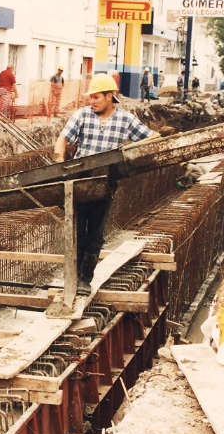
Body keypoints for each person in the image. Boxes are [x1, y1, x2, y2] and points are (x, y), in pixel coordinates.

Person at [54, 73, 157, 296]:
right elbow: (63, 139)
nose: (92, 101)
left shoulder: (125, 120)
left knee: (96, 234)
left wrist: (132, 155)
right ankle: (72, 279)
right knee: (76, 231)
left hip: (106, 183)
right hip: (80, 181)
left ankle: (84, 279)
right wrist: (59, 160)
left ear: (111, 96)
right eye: (91, 97)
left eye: (97, 97)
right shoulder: (82, 115)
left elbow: (151, 139)